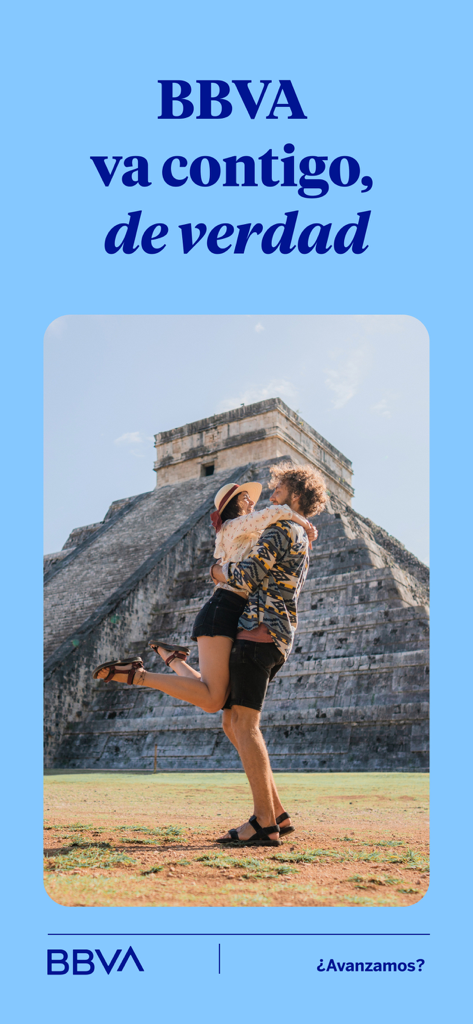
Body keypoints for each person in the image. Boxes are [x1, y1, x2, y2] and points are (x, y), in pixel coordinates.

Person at [93, 475, 319, 716]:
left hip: (238, 613)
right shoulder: (233, 527)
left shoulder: (252, 531)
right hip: (223, 608)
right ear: (233, 504)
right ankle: (137, 674)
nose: (253, 502)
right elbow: (272, 516)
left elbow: (276, 532)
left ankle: (173, 658)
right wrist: (300, 519)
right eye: (245, 498)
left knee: (215, 697)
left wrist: (302, 531)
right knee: (213, 700)